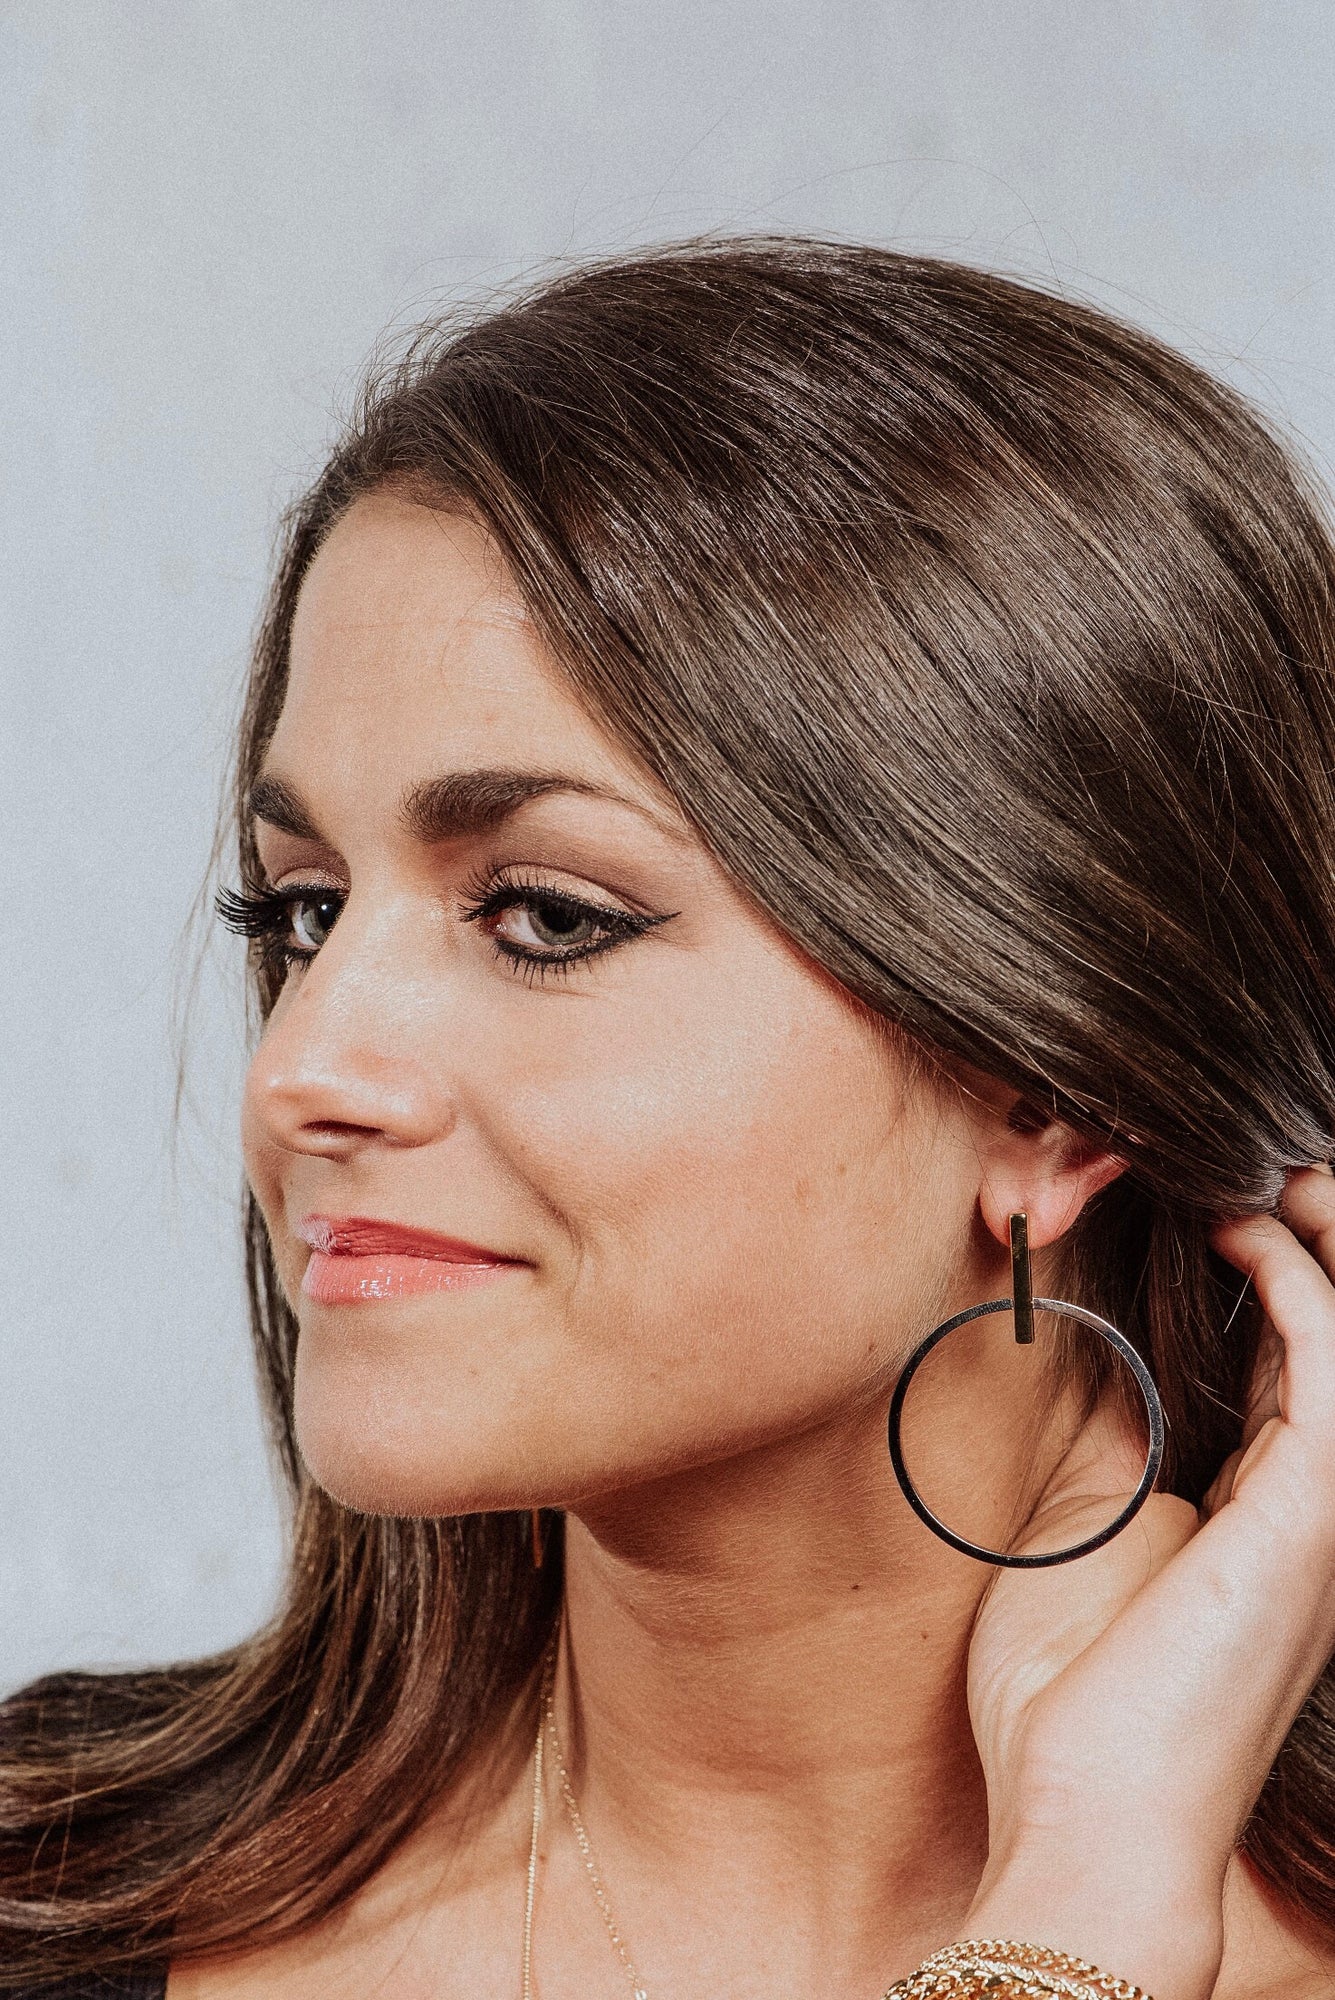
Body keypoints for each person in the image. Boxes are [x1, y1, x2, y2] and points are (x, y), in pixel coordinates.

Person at [4, 237, 1335, 2000]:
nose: (301, 1070)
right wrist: (1074, 1944)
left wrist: (1106, 1850)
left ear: (1049, 1092)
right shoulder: (45, 1891)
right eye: (304, 910)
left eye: (545, 917)